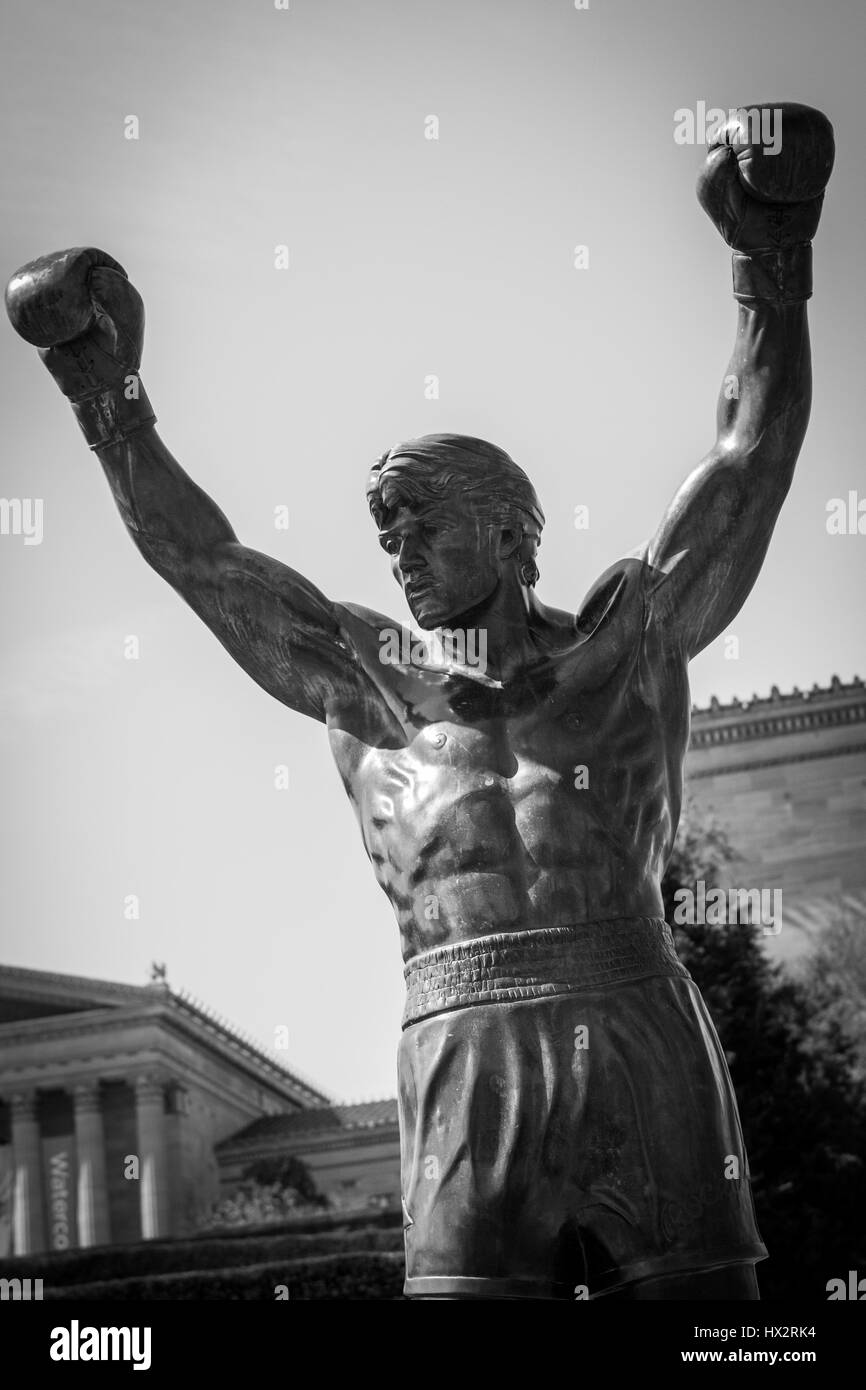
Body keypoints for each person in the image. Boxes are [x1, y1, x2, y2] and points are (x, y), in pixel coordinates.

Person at [5, 102, 834, 1299]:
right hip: (458, 1044)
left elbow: (750, 461)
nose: (392, 550)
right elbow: (201, 559)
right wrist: (105, 398)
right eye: (379, 531)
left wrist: (771, 262)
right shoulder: (364, 684)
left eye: (417, 523)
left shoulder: (627, 640)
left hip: (636, 1020)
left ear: (506, 528)